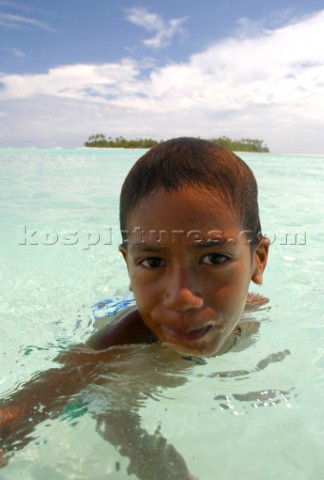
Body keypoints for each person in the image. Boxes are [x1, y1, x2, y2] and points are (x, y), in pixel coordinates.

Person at [0, 138, 269, 477]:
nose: (182, 297)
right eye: (153, 262)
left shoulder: (254, 311)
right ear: (129, 265)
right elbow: (22, 409)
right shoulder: (119, 344)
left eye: (214, 258)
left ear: (257, 261)